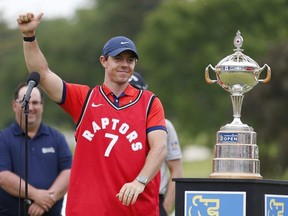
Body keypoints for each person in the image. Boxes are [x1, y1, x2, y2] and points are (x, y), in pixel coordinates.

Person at [17, 12, 168, 216]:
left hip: (137, 210)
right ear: (104, 61)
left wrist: (139, 181)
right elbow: (42, 74)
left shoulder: (150, 102)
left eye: (130, 60)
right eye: (118, 58)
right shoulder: (84, 99)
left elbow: (159, 148)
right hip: (87, 210)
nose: (125, 64)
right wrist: (29, 36)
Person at [0, 83, 72, 216]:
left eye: (35, 103)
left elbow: (68, 172)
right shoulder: (3, 139)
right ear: (15, 106)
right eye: (26, 102)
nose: (31, 107)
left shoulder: (57, 138)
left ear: (42, 106)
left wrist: (47, 199)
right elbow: (3, 177)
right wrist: (36, 195)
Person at [129, 72, 182, 216]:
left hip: (155, 198)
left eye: (136, 90)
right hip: (121, 197)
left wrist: (166, 206)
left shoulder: (164, 125)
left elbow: (176, 170)